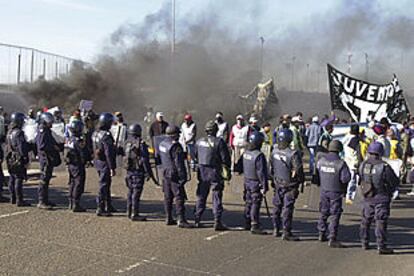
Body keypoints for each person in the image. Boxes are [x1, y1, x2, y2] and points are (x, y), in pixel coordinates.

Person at [359, 142, 399, 254]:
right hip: (382, 196)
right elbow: (394, 181)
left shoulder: (363, 165)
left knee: (365, 220)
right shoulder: (384, 166)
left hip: (367, 196)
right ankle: (381, 246)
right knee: (380, 221)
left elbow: (360, 178)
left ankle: (364, 242)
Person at [194, 120, 231, 231]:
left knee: (201, 195)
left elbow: (195, 155)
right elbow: (225, 159)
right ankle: (217, 221)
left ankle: (197, 218)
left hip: (202, 171)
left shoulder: (199, 141)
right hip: (215, 171)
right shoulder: (219, 142)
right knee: (216, 196)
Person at [315, 140, 351, 248]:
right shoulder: (340, 163)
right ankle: (332, 238)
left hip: (324, 191)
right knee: (334, 214)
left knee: (323, 212)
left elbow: (316, 176)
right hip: (336, 192)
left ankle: (321, 233)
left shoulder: (321, 161)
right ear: (339, 150)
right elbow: (345, 179)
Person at [270, 128, 304, 240]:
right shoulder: (293, 154)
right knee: (287, 208)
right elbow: (298, 170)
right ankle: (286, 232)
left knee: (276, 207)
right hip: (290, 185)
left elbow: (271, 168)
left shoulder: (274, 151)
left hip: (278, 183)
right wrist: (300, 181)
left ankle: (276, 229)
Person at [158, 125, 191, 228]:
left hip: (165, 173)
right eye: (178, 134)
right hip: (174, 174)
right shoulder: (176, 146)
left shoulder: (162, 144)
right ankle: (181, 219)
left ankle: (168, 217)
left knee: (168, 197)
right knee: (179, 197)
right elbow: (179, 164)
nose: (179, 136)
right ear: (174, 135)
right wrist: (183, 177)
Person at [123, 123, 156, 221]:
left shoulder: (127, 143)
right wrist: (149, 173)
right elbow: (145, 160)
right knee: (136, 193)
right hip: (137, 172)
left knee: (130, 192)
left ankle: (129, 212)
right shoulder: (140, 144)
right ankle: (135, 214)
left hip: (129, 171)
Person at [242, 131, 268, 235]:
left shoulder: (246, 153)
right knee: (255, 203)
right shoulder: (259, 155)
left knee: (248, 202)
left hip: (247, 180)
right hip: (255, 182)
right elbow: (261, 172)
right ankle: (255, 224)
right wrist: (264, 185)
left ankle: (247, 221)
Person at [92, 112, 117, 216]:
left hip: (97, 161)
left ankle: (108, 205)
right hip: (104, 163)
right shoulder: (106, 136)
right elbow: (108, 153)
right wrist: (112, 167)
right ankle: (100, 208)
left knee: (106, 183)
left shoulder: (95, 133)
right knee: (104, 184)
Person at [36, 112, 61, 209]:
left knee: (47, 179)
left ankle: (45, 200)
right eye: (49, 121)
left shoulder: (47, 130)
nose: (51, 123)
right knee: (44, 179)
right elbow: (42, 145)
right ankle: (41, 201)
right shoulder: (43, 130)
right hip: (45, 158)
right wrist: (54, 147)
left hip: (48, 158)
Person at [65, 120, 91, 212]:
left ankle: (71, 202)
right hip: (78, 164)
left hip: (71, 165)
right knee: (78, 184)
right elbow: (83, 154)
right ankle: (76, 204)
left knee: (72, 183)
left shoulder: (70, 140)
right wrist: (87, 160)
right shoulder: (78, 141)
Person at [5, 112, 30, 206]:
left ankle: (13, 198)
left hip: (10, 157)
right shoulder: (19, 133)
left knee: (12, 178)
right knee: (19, 178)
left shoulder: (9, 132)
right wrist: (25, 158)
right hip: (17, 157)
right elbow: (21, 147)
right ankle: (20, 200)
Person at [343, 125, 362, 204]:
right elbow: (356, 153)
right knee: (353, 180)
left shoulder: (346, 137)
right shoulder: (356, 140)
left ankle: (348, 195)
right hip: (353, 162)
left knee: (349, 178)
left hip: (346, 160)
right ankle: (350, 196)